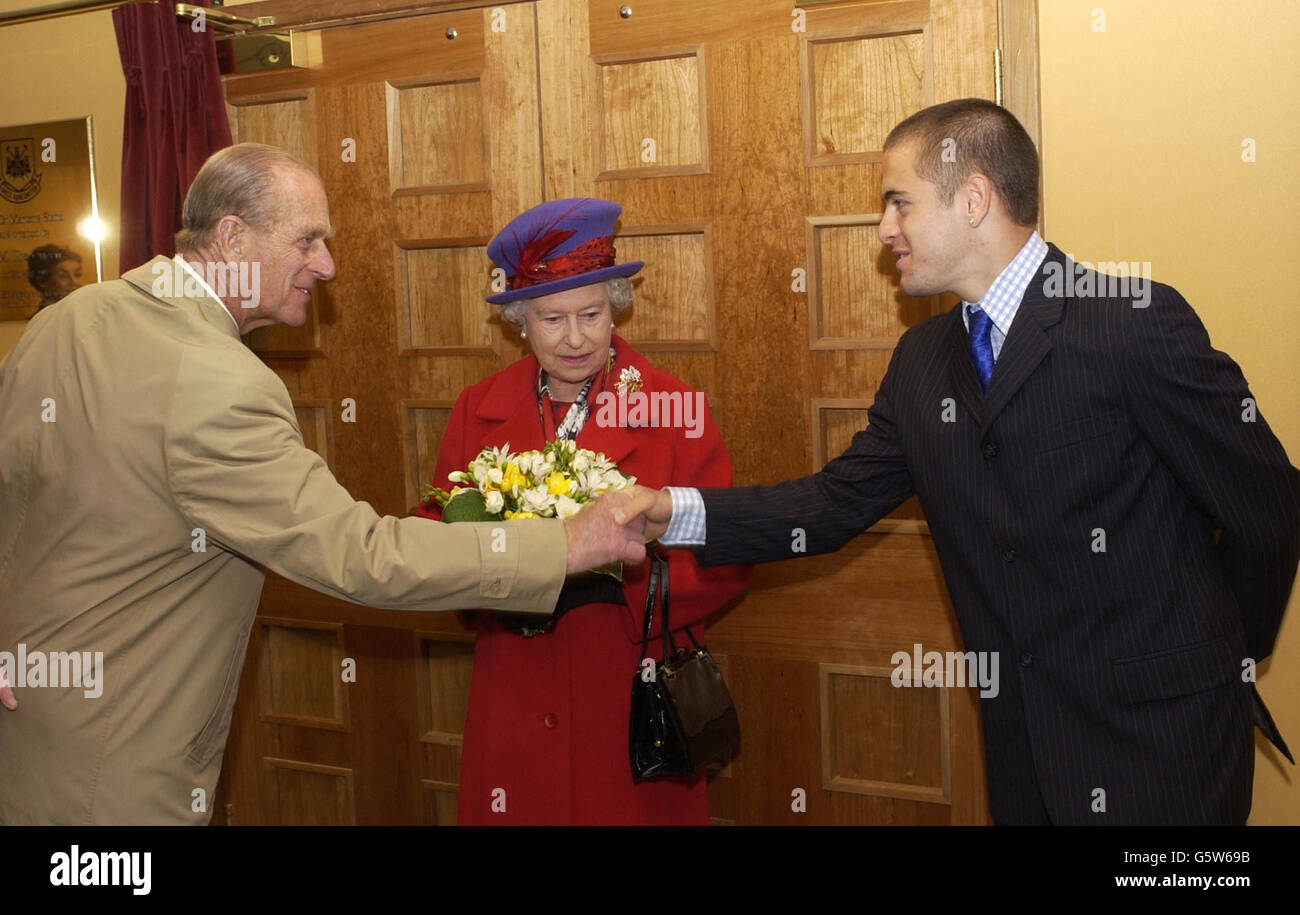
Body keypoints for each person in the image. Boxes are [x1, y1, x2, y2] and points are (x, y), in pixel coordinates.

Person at [629, 99, 1300, 825]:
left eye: (898, 203)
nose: (884, 230)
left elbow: (1269, 504)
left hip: (1168, 748)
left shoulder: (1129, 321)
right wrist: (669, 510)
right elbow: (831, 505)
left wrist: (1224, 651)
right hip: (1022, 752)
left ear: (974, 197)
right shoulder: (921, 361)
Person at [0, 145, 647, 825]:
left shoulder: (63, 322)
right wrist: (562, 545)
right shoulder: (220, 381)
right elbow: (361, 555)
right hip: (118, 776)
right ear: (231, 237)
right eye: (307, 240)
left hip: (29, 744)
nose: (327, 265)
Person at [414, 198, 749, 825]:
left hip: (628, 696)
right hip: (513, 689)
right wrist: (504, 572)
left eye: (592, 314)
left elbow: (725, 556)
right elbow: (438, 543)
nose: (574, 338)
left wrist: (613, 580)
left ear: (616, 305)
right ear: (519, 321)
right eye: (552, 318)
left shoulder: (674, 407)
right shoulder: (477, 408)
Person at [26, 244, 82, 311]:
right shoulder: (42, 319)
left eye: (77, 274)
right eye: (62, 276)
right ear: (42, 281)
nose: (74, 282)